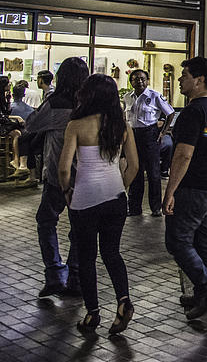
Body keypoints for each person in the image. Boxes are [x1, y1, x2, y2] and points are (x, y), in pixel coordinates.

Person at [58, 74, 139, 334]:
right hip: (115, 197)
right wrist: (120, 187)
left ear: (88, 95)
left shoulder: (76, 125)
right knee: (112, 253)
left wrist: (67, 191)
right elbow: (135, 166)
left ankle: (93, 314)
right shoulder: (122, 126)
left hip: (85, 199)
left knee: (87, 257)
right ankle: (123, 300)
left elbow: (63, 169)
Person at [163, 57, 207, 320]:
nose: (180, 80)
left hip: (197, 187)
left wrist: (170, 191)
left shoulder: (193, 111)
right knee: (203, 237)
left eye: (185, 75)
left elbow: (183, 155)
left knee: (177, 240)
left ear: (199, 80)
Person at [24, 56, 89, 298]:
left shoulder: (56, 102)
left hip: (57, 174)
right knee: (79, 227)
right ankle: (76, 277)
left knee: (46, 220)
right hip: (85, 174)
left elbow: (31, 125)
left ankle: (54, 273)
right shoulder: (90, 103)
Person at [122, 69, 175, 217]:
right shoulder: (127, 97)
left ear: (147, 80)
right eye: (135, 79)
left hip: (150, 134)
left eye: (142, 79)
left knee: (153, 172)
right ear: (131, 81)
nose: (139, 81)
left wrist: (163, 132)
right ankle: (134, 208)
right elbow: (125, 117)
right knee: (134, 170)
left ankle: (156, 208)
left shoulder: (154, 96)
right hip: (133, 135)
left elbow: (170, 113)